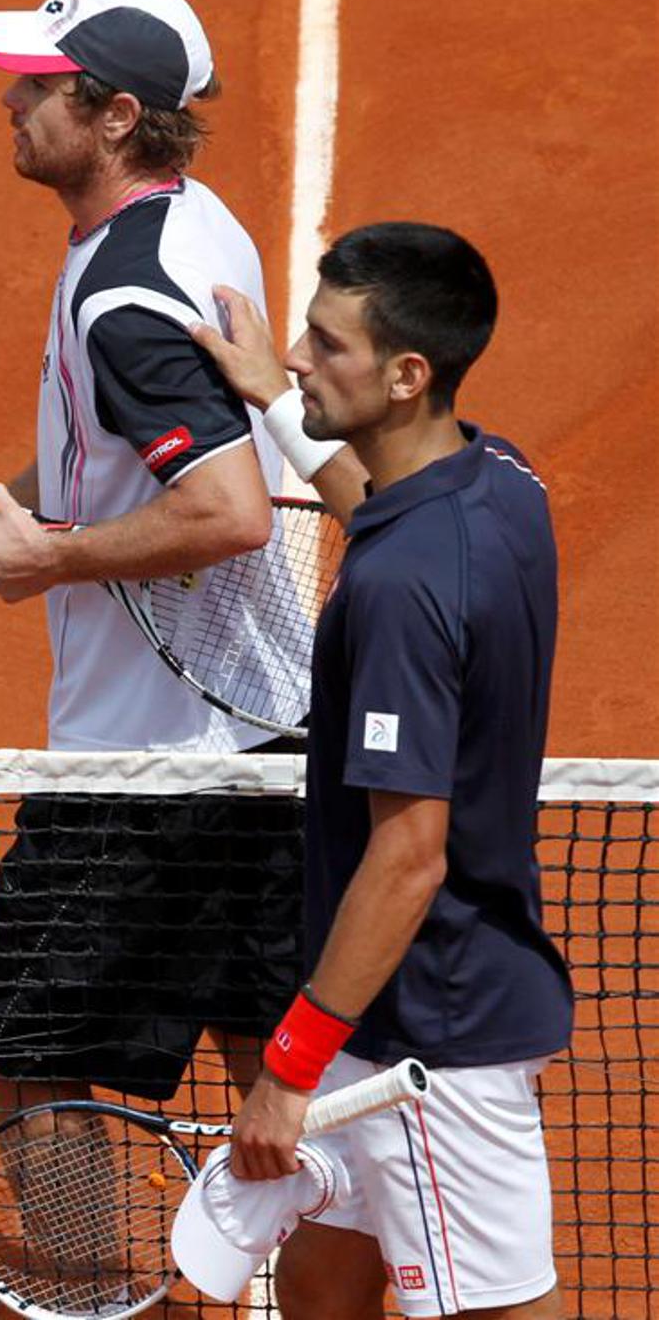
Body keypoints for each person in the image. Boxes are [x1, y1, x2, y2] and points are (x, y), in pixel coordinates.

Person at [0, 0, 362, 1112]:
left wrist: (46, 558)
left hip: (151, 763)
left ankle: (81, 1289)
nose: (12, 98)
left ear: (114, 116)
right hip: (265, 733)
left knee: (17, 1048)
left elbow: (228, 511)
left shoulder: (122, 296)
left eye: (43, 85)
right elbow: (113, 447)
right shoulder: (187, 224)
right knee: (270, 1068)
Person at [186, 222, 574, 1320]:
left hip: (426, 1041)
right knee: (320, 1288)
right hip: (381, 1010)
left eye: (325, 344)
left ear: (407, 375)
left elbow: (407, 855)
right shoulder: (497, 480)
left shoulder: (403, 590)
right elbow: (381, 511)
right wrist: (272, 398)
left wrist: (289, 1063)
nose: (300, 354)